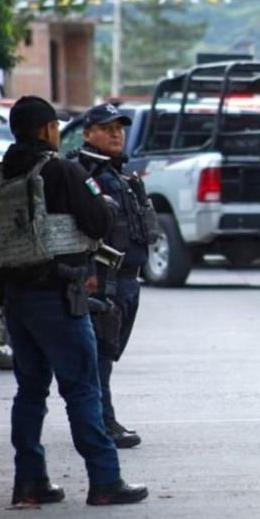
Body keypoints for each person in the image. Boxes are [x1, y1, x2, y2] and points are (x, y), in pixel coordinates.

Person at [0, 96, 146, 507]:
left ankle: (30, 481)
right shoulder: (62, 171)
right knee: (82, 389)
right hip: (60, 295)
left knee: (30, 393)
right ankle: (105, 481)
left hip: (18, 301)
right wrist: (104, 207)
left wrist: (3, 292)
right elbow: (98, 222)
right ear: (48, 129)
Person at [70, 103, 158, 449]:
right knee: (100, 357)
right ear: (88, 133)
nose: (116, 134)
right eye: (107, 129)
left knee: (107, 354)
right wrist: (89, 273)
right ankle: (102, 422)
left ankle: (98, 419)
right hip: (103, 280)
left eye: (119, 129)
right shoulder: (82, 174)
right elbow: (78, 229)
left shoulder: (120, 174)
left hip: (127, 280)